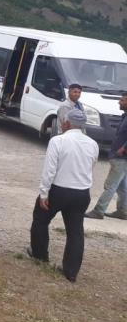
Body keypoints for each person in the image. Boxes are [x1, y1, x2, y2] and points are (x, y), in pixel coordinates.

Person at [25, 109, 98, 282]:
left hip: (59, 189)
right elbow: (91, 165)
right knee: (75, 232)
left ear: (65, 123)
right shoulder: (92, 143)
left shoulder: (58, 140)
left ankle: (40, 255)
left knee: (41, 220)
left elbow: (50, 169)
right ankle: (71, 271)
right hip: (81, 192)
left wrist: (44, 192)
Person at [85, 92, 127, 220]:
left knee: (111, 185)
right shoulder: (125, 116)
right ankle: (123, 211)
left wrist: (124, 148)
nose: (119, 102)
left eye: (122, 100)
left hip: (121, 157)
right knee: (122, 186)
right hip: (120, 156)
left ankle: (99, 211)